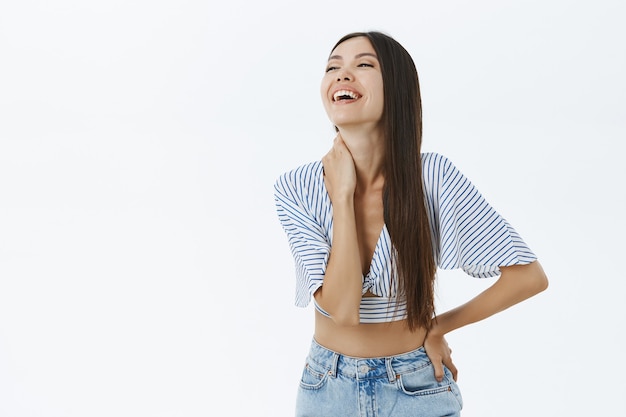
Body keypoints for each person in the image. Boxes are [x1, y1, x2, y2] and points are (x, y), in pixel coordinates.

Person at [273, 31, 548, 417]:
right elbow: (342, 310)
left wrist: (437, 327)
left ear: (397, 88)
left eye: (363, 64)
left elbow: (528, 276)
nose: (342, 74)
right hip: (326, 390)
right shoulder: (296, 188)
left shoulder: (432, 177)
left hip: (415, 387)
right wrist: (341, 195)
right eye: (333, 66)